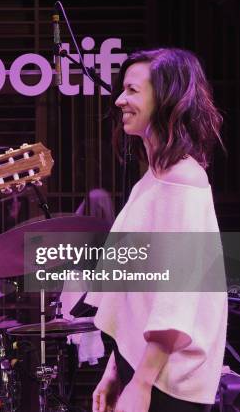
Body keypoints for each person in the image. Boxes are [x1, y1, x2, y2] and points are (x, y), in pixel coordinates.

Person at [87, 48, 227, 412]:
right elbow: (135, 292)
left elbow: (176, 296)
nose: (120, 100)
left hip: (168, 381)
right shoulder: (153, 178)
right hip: (145, 369)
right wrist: (116, 369)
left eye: (132, 90)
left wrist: (143, 382)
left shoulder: (183, 181)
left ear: (165, 98)